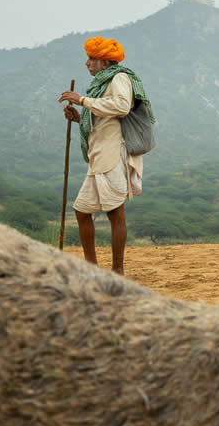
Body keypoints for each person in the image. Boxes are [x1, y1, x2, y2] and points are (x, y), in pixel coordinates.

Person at [58, 36, 154, 275]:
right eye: (88, 58)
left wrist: (81, 100)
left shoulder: (120, 77)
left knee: (114, 211)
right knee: (82, 210)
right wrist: (79, 117)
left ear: (105, 62)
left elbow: (121, 107)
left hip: (112, 152)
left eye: (92, 59)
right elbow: (104, 118)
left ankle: (117, 270)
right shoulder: (102, 83)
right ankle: (92, 268)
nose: (87, 63)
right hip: (99, 153)